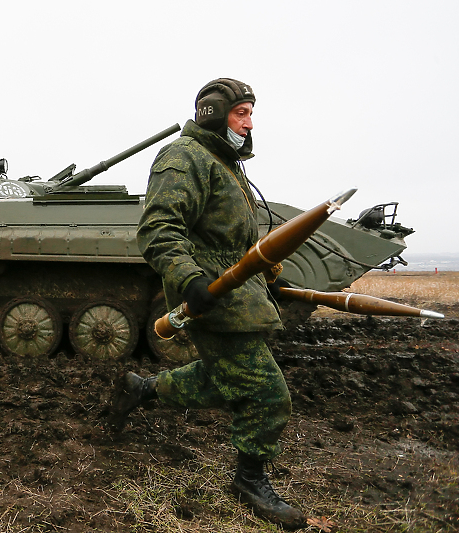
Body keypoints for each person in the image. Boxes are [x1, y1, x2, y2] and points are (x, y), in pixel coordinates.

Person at [113, 79, 307, 529]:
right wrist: (189, 278)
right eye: (241, 113)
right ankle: (249, 480)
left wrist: (266, 275)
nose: (249, 123)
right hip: (211, 296)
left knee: (225, 379)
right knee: (267, 392)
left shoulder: (226, 163)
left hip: (239, 293)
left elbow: (235, 239)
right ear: (214, 113)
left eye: (251, 113)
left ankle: (142, 389)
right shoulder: (185, 157)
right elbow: (159, 228)